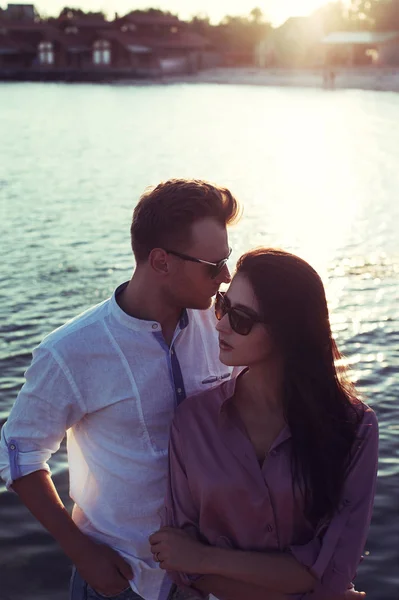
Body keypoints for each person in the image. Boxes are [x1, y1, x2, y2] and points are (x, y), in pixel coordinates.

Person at [0, 179, 241, 600]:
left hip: (214, 578)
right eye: (212, 265)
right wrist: (79, 550)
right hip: (123, 580)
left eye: (227, 260)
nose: (226, 276)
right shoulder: (72, 351)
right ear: (161, 261)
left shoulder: (224, 329)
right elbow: (18, 451)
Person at [149, 248, 379, 600]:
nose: (220, 323)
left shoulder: (354, 429)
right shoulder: (192, 422)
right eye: (224, 305)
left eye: (241, 319)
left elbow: (333, 573)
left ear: (289, 332)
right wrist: (303, 583)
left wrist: (205, 557)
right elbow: (181, 567)